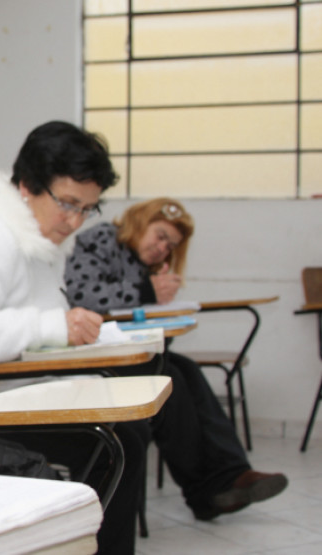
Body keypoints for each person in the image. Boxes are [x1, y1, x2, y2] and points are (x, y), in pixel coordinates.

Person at [0, 120, 149, 555]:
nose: (75, 220)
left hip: (10, 393)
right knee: (117, 444)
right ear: (27, 185)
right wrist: (55, 327)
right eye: (67, 203)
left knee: (125, 433)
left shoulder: (38, 240)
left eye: (87, 209)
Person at [64, 198, 288, 521]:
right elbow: (82, 295)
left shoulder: (142, 262)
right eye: (159, 235)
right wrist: (147, 290)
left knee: (186, 369)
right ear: (140, 222)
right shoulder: (102, 239)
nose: (162, 248)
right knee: (170, 378)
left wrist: (154, 296)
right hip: (89, 353)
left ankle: (230, 474)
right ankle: (208, 489)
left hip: (119, 349)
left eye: (170, 245)